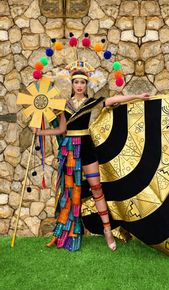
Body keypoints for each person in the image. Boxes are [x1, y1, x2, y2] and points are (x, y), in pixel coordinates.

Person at [34, 68, 149, 252]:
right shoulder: (63, 105)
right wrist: (41, 132)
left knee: (96, 188)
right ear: (72, 84)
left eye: (82, 83)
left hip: (87, 147)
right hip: (70, 149)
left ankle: (107, 231)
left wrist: (137, 97)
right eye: (76, 82)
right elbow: (61, 129)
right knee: (71, 192)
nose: (79, 86)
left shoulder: (91, 103)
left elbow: (112, 100)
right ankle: (68, 232)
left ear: (86, 85)